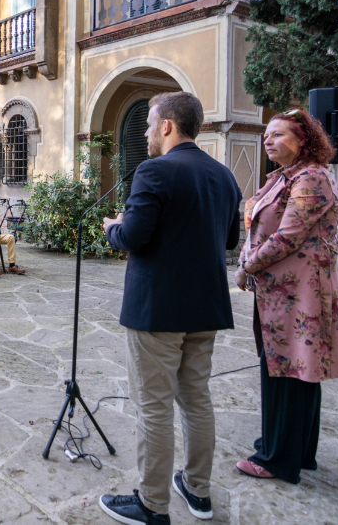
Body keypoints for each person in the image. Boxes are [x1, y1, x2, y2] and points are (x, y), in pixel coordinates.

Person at [98, 92, 241, 525]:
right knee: (196, 399)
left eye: (148, 124)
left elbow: (135, 237)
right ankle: (198, 491)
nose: (143, 133)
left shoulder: (154, 171)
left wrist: (113, 229)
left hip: (157, 310)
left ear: (166, 126)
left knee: (154, 406)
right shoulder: (224, 176)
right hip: (205, 308)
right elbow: (230, 241)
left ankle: (152, 504)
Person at [234, 109, 338, 484]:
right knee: (294, 369)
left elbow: (287, 236)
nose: (269, 140)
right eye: (267, 134)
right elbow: (260, 230)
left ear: (304, 141)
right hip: (283, 290)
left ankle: (278, 459)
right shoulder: (284, 177)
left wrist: (247, 267)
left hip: (300, 293)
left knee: (289, 370)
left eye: (279, 135)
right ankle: (295, 449)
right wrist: (248, 260)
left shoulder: (311, 177)